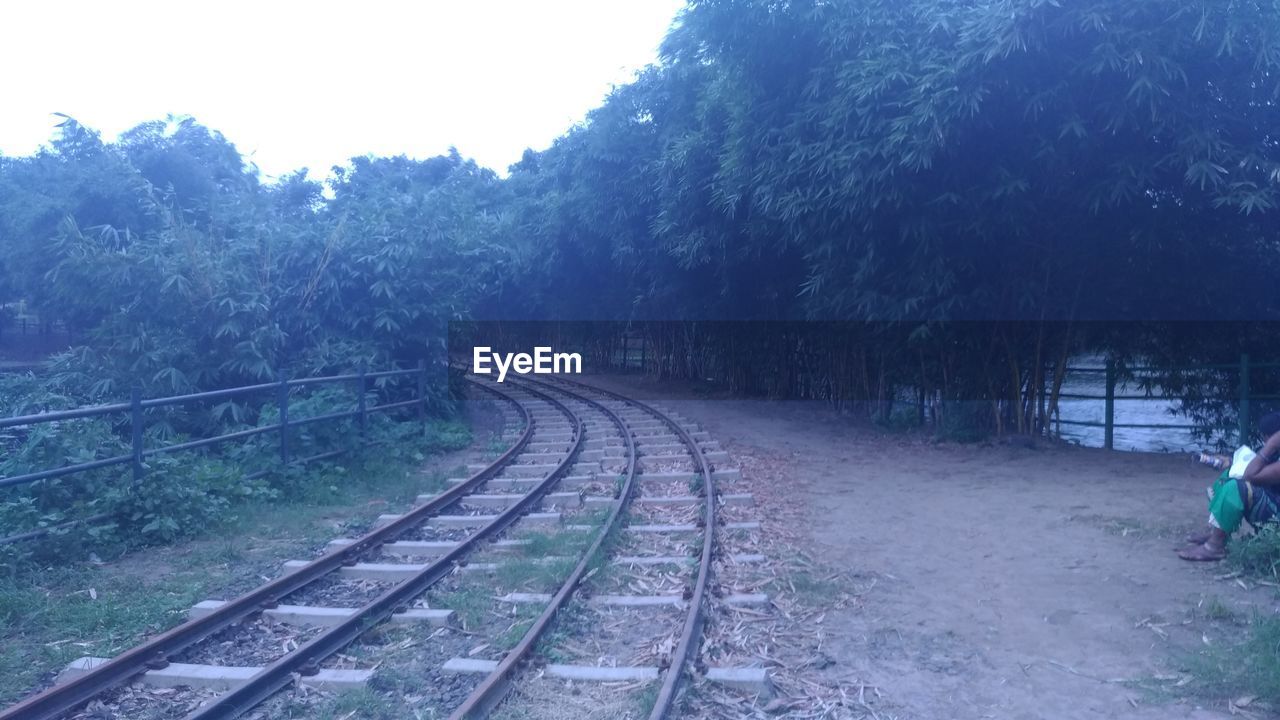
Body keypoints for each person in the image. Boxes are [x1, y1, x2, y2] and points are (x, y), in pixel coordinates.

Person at [1179, 412, 1280, 561]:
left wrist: (1272, 444)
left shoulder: (1272, 447)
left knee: (1236, 488)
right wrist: (1231, 463)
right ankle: (1218, 532)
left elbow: (1251, 476)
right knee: (1226, 478)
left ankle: (1214, 547)